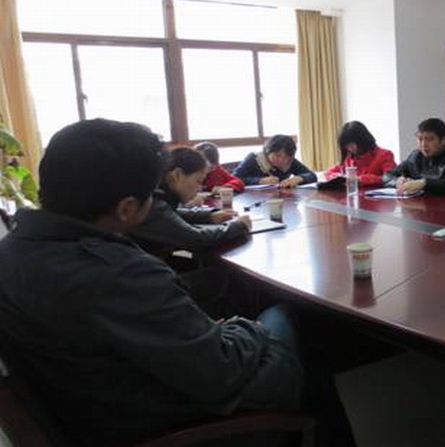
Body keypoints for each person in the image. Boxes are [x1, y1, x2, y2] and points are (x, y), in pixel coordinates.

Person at [0, 119, 310, 446]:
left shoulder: (12, 251)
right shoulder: (120, 272)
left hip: (96, 405)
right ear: (126, 208)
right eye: (151, 194)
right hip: (170, 418)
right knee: (286, 315)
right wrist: (246, 328)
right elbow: (222, 370)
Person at [132, 146, 252, 259]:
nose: (199, 188)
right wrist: (238, 226)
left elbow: (172, 214)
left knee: (194, 257)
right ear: (177, 175)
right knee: (195, 258)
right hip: (160, 260)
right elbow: (195, 239)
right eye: (198, 181)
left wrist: (209, 216)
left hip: (159, 254)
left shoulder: (158, 194)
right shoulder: (152, 203)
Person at [383, 117, 445, 195]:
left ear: (444, 140)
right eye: (420, 139)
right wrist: (398, 181)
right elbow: (387, 176)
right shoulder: (415, 156)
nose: (423, 144)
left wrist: (424, 183)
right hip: (418, 205)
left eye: (429, 139)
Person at [324, 121, 396, 187]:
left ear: (362, 140)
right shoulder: (349, 158)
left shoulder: (385, 155)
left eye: (351, 145)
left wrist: (361, 179)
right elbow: (329, 173)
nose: (349, 149)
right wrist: (340, 177)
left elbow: (390, 179)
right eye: (346, 146)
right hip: (352, 195)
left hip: (377, 196)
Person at [233, 135, 317, 188]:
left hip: (284, 200)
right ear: (268, 151)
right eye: (277, 155)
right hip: (254, 200)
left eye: (286, 157)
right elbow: (235, 179)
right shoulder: (255, 158)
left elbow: (312, 175)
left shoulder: (290, 161)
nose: (281, 160)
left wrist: (299, 178)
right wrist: (259, 181)